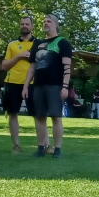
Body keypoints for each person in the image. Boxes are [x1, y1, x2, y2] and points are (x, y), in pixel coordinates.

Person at [24, 13, 72, 158]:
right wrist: (26, 86)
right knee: (39, 117)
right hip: (38, 85)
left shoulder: (62, 43)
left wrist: (65, 87)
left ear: (56, 24)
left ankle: (57, 150)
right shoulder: (37, 44)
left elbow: (67, 67)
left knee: (56, 117)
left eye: (49, 21)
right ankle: (40, 148)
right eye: (44, 21)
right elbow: (32, 67)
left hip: (55, 86)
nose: (46, 23)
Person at [0, 15, 36, 152]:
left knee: (38, 115)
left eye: (27, 24)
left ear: (32, 26)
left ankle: (44, 145)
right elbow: (4, 66)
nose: (24, 26)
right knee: (13, 113)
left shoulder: (39, 44)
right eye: (22, 24)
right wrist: (19, 56)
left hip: (33, 83)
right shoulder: (12, 45)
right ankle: (16, 145)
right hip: (13, 83)